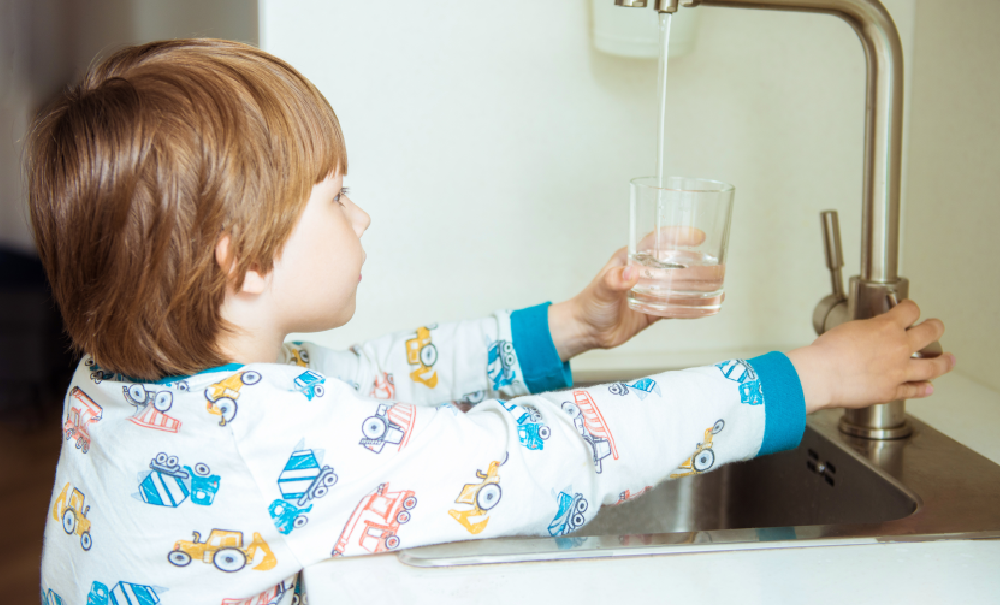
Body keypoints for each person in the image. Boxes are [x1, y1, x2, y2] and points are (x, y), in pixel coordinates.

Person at [28, 39, 951, 604]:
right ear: (242, 260)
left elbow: (374, 378)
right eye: (337, 198)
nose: (362, 217)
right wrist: (813, 376)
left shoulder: (128, 382)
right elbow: (553, 449)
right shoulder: (267, 446)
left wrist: (570, 326)